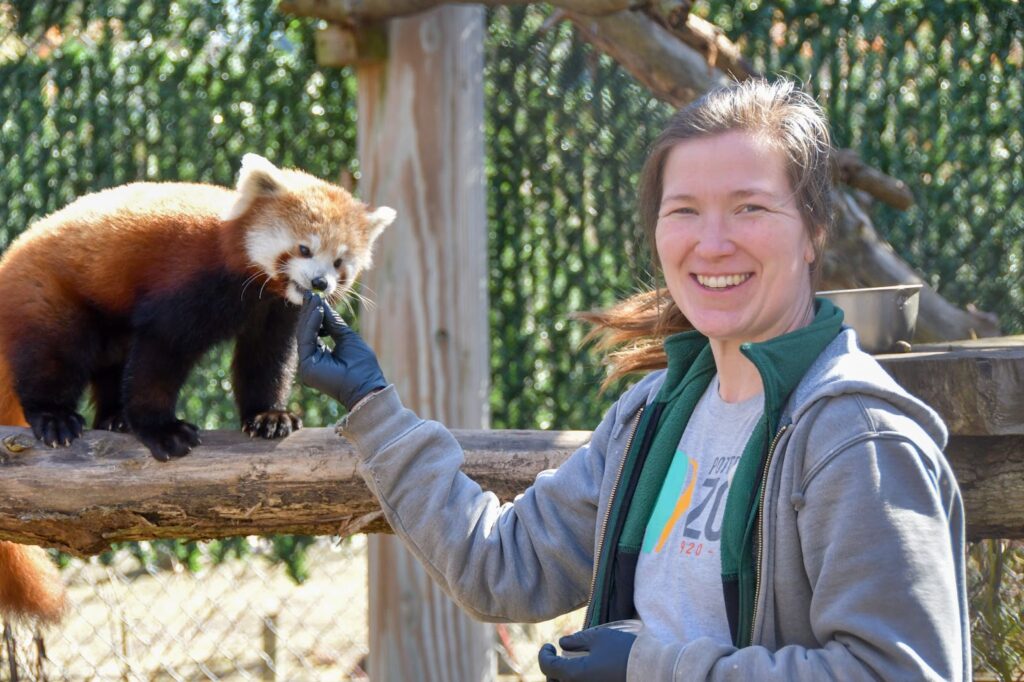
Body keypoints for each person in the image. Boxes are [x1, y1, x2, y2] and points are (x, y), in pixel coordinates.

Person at [297, 79, 970, 681]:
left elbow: (901, 671)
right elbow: (502, 567)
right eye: (684, 211)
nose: (711, 242)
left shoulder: (857, 436)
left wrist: (655, 667)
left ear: (814, 230)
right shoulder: (655, 413)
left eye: (750, 209)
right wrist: (374, 407)